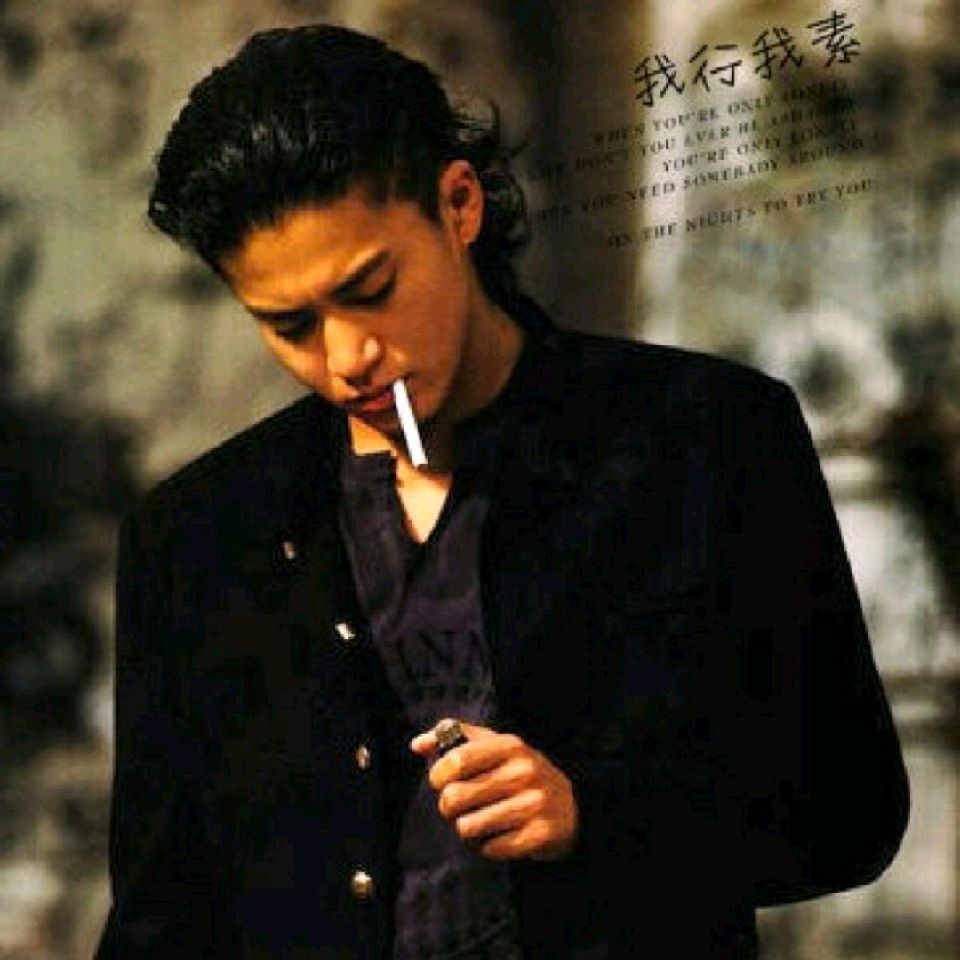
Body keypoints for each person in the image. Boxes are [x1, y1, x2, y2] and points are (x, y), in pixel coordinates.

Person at [94, 23, 909, 960]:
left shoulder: (706, 439)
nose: (348, 356)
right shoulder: (195, 536)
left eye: (371, 288)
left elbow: (852, 813)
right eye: (289, 325)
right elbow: (162, 921)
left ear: (459, 204)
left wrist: (597, 816)